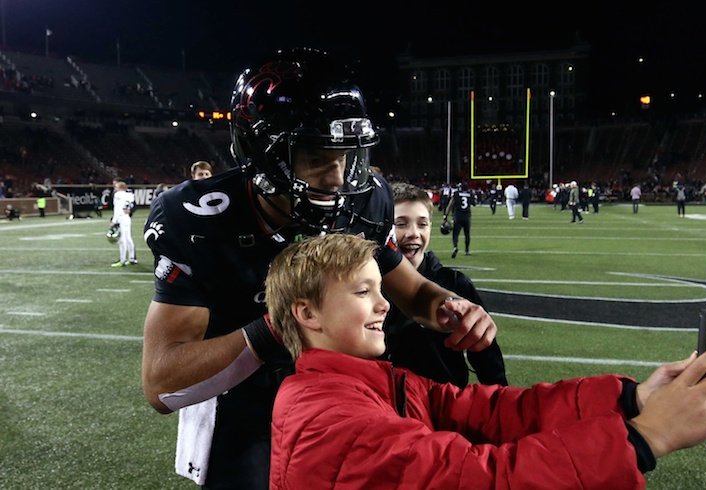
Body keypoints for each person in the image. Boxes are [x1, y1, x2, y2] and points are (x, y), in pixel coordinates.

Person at [140, 48, 497, 490]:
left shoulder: (365, 198)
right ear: (262, 151)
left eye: (346, 156)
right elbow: (161, 382)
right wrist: (276, 330)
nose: (336, 178)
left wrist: (449, 305)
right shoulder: (197, 219)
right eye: (316, 156)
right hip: (244, 396)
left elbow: (410, 289)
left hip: (346, 389)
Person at [265, 233, 706, 490]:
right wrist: (644, 438)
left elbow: (494, 413)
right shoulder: (330, 419)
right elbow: (482, 479)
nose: (386, 305)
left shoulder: (370, 383)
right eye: (364, 292)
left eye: (381, 290)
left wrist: (631, 397)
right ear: (307, 314)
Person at [388, 182, 506, 386]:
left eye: (422, 224)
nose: (414, 233)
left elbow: (488, 361)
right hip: (383, 406)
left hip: (442, 407)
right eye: (401, 223)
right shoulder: (369, 285)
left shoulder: (455, 284)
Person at [444, 181, 475, 258]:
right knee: (467, 234)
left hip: (458, 216)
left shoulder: (456, 194)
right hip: (467, 216)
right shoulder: (470, 194)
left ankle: (455, 247)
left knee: (455, 234)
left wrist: (445, 216)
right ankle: (467, 250)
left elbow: (450, 205)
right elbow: (474, 203)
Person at [111, 180, 137, 267]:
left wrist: (114, 221)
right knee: (128, 238)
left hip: (121, 217)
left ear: (120, 188)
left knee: (122, 240)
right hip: (127, 217)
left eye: (116, 187)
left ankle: (122, 260)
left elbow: (117, 209)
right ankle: (132, 258)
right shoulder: (130, 195)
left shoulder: (118, 195)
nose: (115, 189)